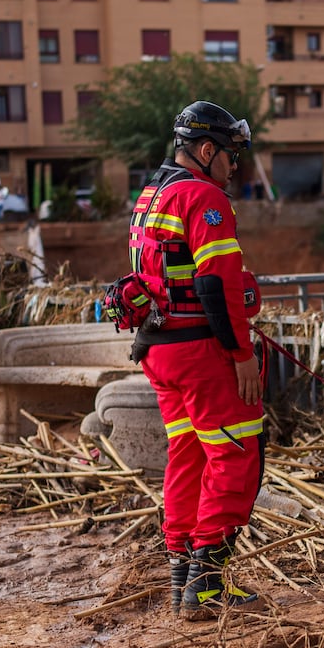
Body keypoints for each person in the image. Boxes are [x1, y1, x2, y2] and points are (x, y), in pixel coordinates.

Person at [127, 101, 265, 619]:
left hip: (159, 351)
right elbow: (215, 283)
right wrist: (242, 354)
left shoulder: (151, 195)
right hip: (202, 352)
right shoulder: (205, 198)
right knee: (234, 455)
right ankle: (207, 584)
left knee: (187, 456)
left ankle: (182, 576)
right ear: (206, 151)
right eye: (230, 156)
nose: (234, 167)